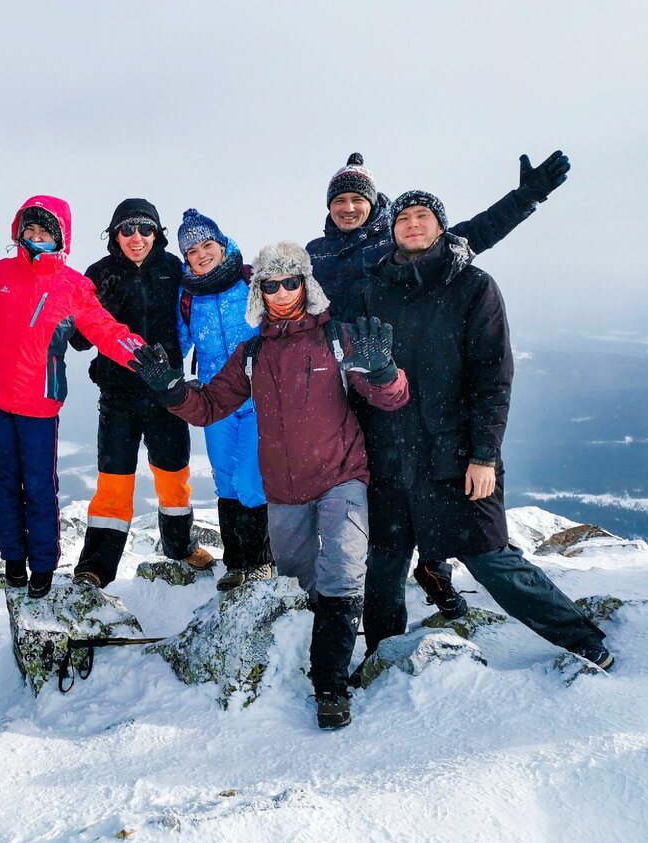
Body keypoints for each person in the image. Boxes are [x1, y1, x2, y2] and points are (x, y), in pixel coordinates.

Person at [132, 241, 409, 729]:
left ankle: (330, 685)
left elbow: (389, 399)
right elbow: (211, 405)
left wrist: (385, 371)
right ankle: (312, 653)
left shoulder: (339, 340)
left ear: (306, 285)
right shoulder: (253, 352)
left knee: (343, 573)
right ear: (259, 292)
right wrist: (173, 390)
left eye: (290, 282)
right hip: (283, 491)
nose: (282, 292)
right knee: (300, 581)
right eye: (271, 284)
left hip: (342, 476)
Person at [354, 190, 612, 677]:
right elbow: (359, 379)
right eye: (403, 218)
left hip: (454, 455)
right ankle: (382, 660)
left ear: (441, 226)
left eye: (422, 216)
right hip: (389, 457)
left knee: (491, 558)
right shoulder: (375, 290)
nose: (412, 224)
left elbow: (493, 377)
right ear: (390, 230)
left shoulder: (472, 285)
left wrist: (485, 455)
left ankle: (582, 638)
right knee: (384, 566)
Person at [309, 149, 572, 617]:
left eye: (358, 199)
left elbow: (474, 234)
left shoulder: (394, 245)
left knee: (443, 514)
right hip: (368, 394)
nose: (349, 208)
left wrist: (527, 197)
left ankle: (435, 570)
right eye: (340, 200)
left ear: (377, 207)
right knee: (386, 540)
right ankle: (395, 619)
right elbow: (287, 293)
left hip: (422, 393)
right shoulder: (317, 254)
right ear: (328, 207)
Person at [0, 196, 145, 598]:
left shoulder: (75, 287)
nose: (37, 238)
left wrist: (140, 355)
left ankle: (42, 565)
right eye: (31, 230)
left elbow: (106, 332)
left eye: (46, 232)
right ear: (19, 231)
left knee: (39, 487)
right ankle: (13, 559)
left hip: (38, 404)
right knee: (1, 482)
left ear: (61, 238)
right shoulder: (1, 272)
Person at [68, 198, 214, 588]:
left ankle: (179, 546)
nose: (137, 237)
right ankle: (97, 566)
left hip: (168, 392)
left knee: (174, 474)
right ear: (115, 234)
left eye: (146, 229)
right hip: (118, 395)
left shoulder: (173, 269)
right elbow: (79, 342)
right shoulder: (97, 274)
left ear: (157, 233)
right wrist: (105, 303)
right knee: (114, 479)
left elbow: (203, 301)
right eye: (127, 229)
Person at [175, 209, 273, 589]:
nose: (202, 254)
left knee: (251, 480)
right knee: (226, 482)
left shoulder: (251, 282)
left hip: (258, 399)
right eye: (192, 251)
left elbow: (280, 326)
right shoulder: (188, 297)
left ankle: (262, 560)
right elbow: (179, 345)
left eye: (207, 244)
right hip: (215, 402)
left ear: (222, 243)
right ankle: (237, 564)